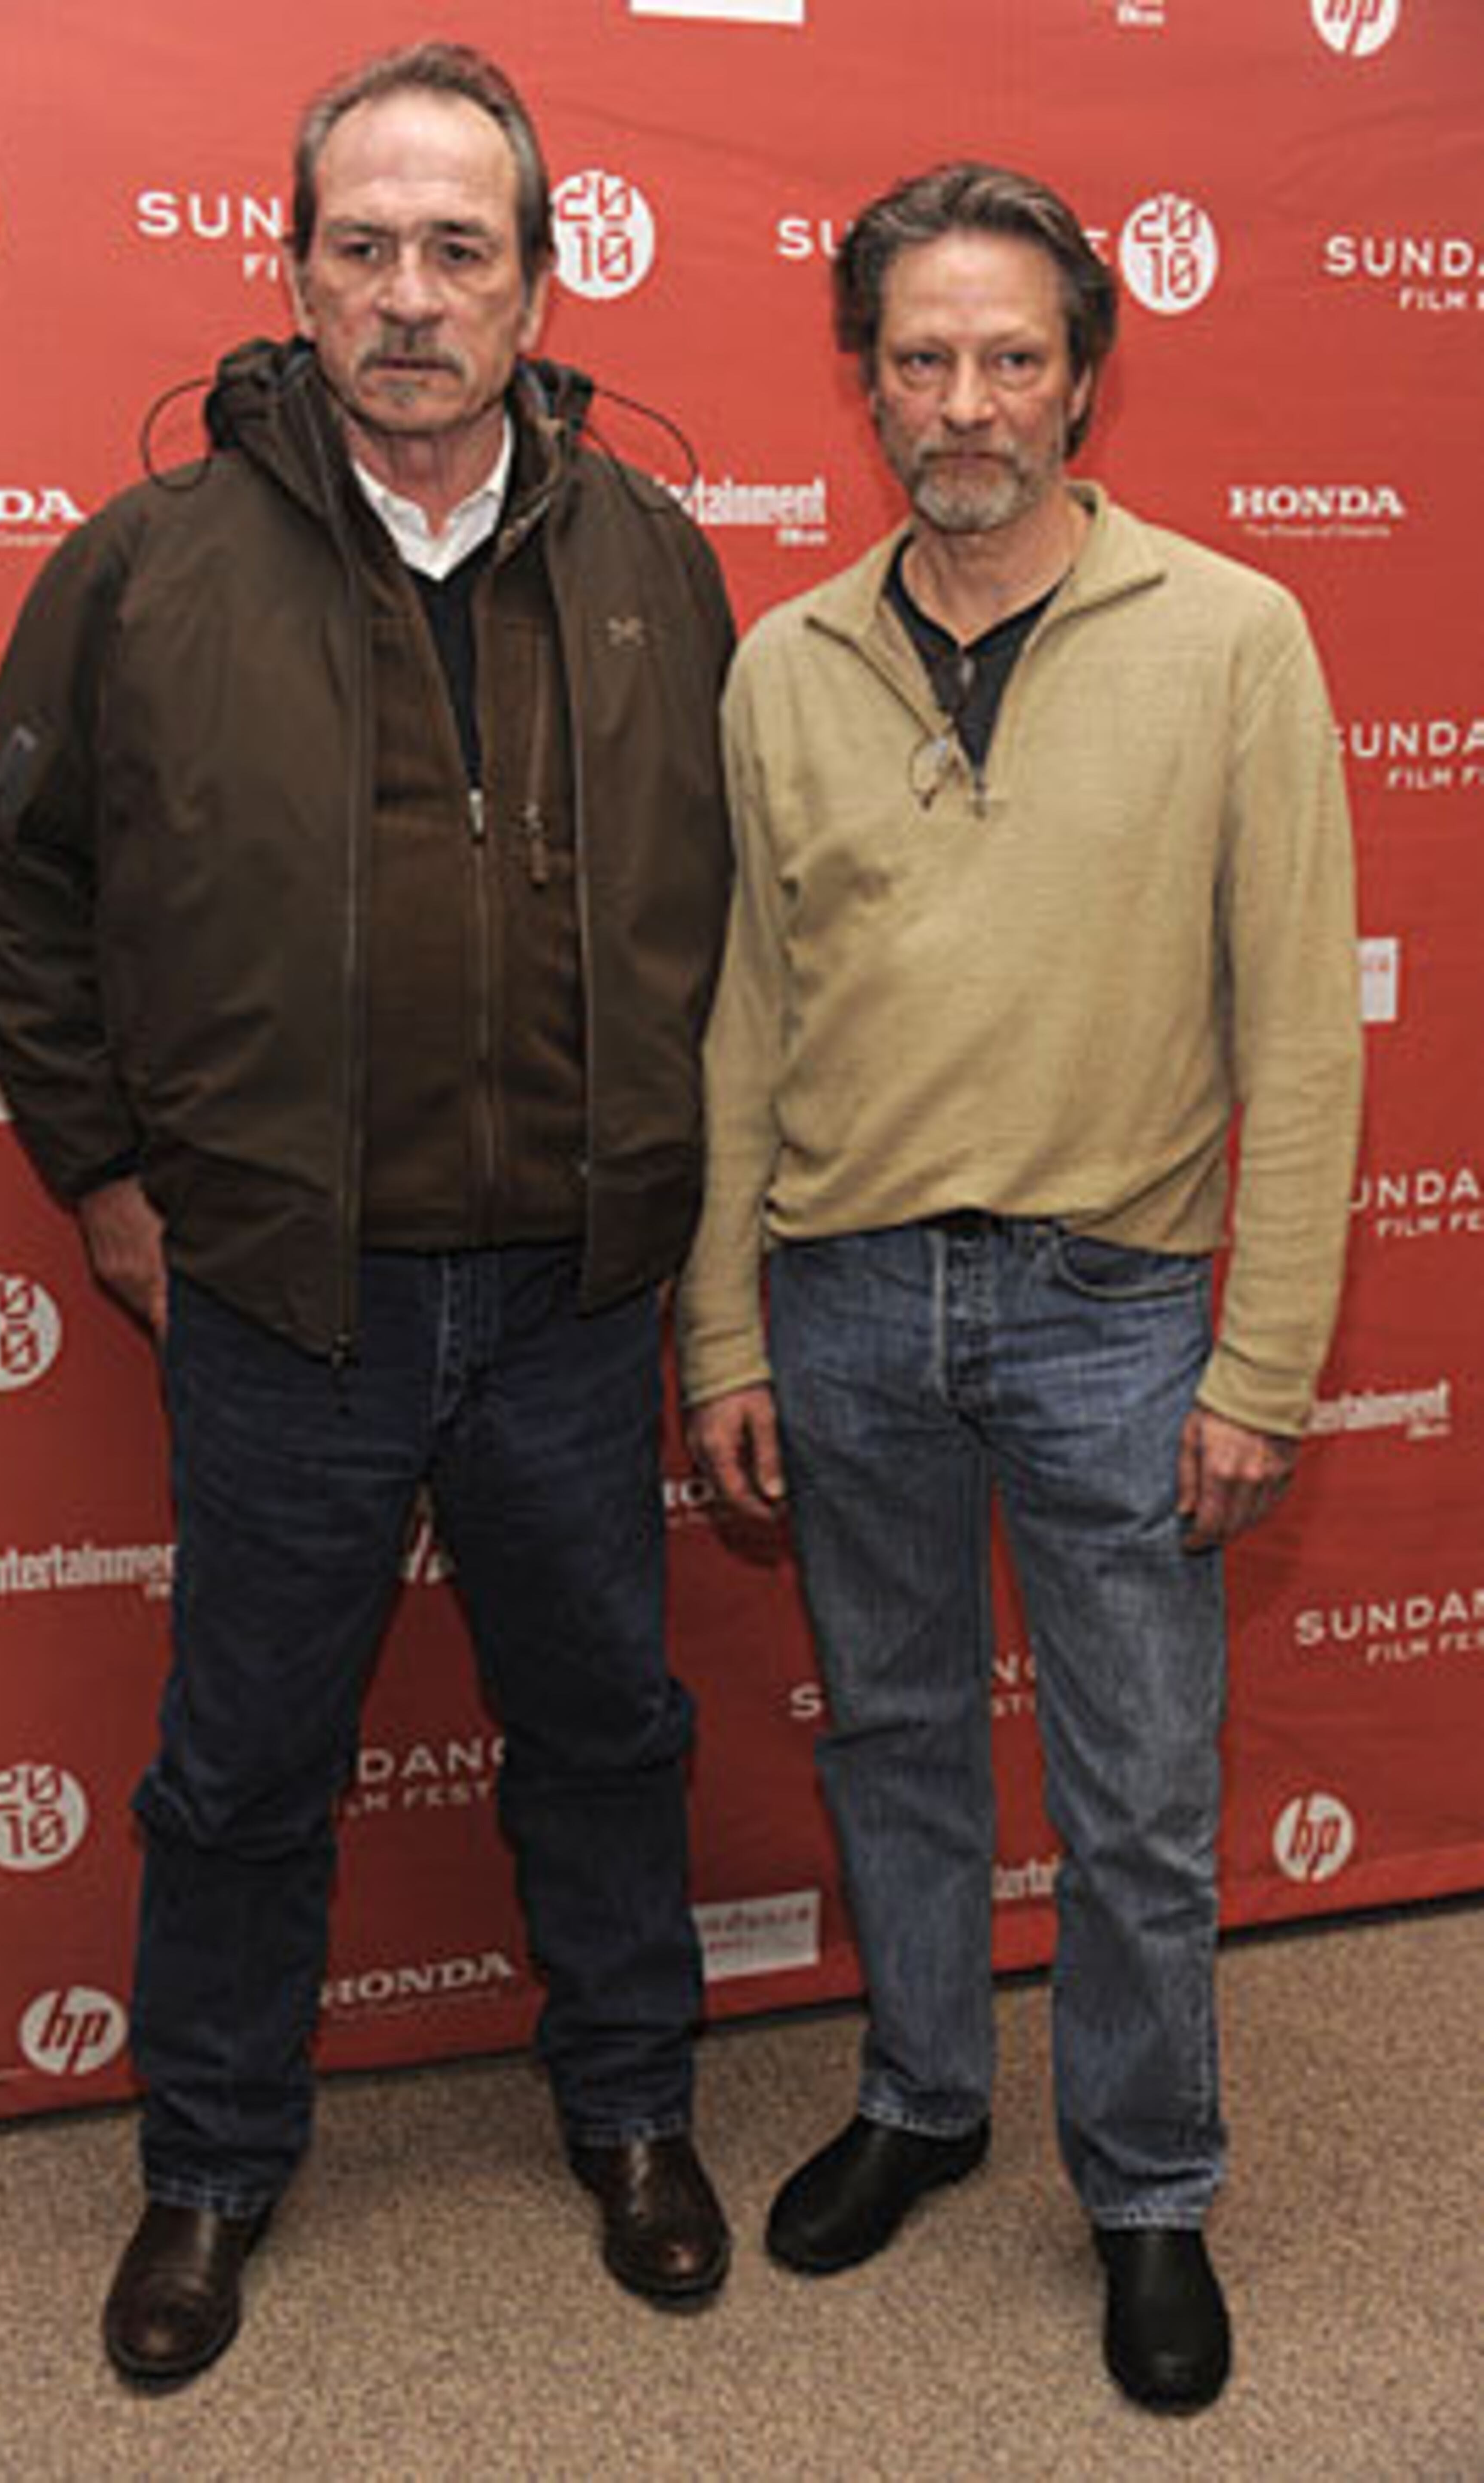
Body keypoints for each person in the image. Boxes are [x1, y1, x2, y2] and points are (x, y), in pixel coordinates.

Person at [0, 42, 736, 2387]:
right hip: (291, 1297)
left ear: (539, 278)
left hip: (579, 1294)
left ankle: (629, 2106)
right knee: (244, 1757)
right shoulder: (145, 566)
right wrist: (98, 1164)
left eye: (457, 249)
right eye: (362, 247)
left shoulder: (653, 558)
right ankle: (207, 2160)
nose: (408, 295)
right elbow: (13, 872)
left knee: (605, 1723)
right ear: (293, 272)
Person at [677, 161, 1362, 2414]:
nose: (965, 403)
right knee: (892, 1738)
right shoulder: (784, 663)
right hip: (851, 1299)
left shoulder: (1234, 633)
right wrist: (724, 1324)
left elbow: (1296, 1024)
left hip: (1117, 1308)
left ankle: (1152, 2188)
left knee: (1142, 1790)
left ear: (1085, 372)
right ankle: (926, 2095)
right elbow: (746, 1024)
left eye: (1011, 356)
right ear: (866, 379)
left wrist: (1261, 1359)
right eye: (921, 357)